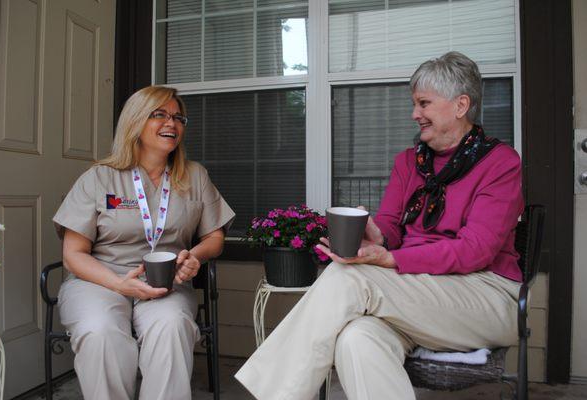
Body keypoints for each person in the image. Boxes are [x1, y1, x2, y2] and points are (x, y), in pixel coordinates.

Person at [235, 51, 523, 400]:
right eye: (415, 104)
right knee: (358, 338)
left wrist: (390, 260)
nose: (415, 114)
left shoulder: (500, 163)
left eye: (424, 103)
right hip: (416, 293)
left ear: (460, 105)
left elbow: (476, 250)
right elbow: (391, 226)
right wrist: (377, 234)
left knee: (348, 277)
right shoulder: (409, 161)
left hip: (483, 297)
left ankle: (273, 395)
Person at [53, 86, 235, 400]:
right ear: (136, 121)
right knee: (100, 330)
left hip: (167, 282)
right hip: (100, 280)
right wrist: (119, 285)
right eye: (159, 114)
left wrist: (195, 255)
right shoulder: (99, 178)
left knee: (172, 326)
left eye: (178, 118)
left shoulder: (194, 176)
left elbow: (214, 237)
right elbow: (73, 254)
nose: (172, 123)